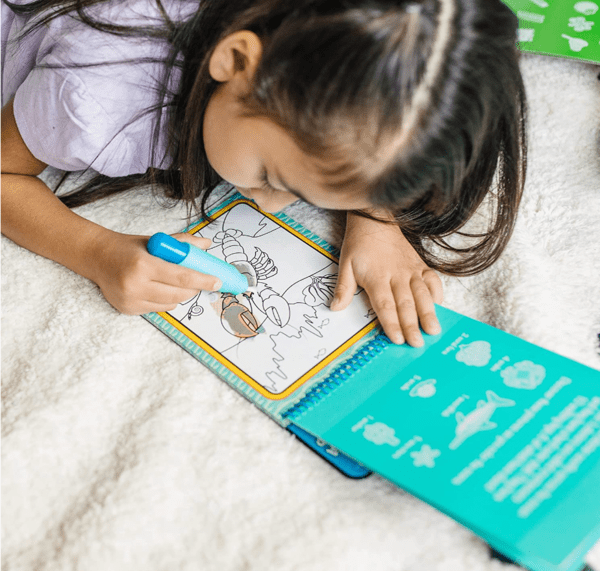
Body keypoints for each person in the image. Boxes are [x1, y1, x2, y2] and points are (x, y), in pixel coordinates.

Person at [1, 0, 527, 347]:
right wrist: (96, 252)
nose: (270, 205)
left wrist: (376, 217)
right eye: (274, 177)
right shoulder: (95, 102)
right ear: (235, 60)